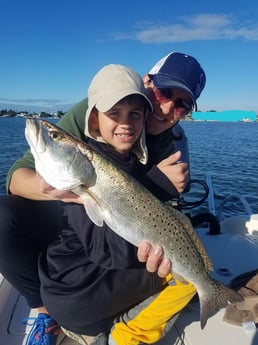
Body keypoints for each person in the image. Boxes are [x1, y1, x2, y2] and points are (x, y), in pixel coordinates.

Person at [0, 52, 206, 345]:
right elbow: (19, 175)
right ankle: (46, 313)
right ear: (147, 83)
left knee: (181, 263)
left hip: (114, 225)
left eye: (182, 103)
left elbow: (162, 217)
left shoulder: (175, 144)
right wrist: (56, 190)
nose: (167, 107)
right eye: (163, 92)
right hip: (75, 212)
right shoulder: (99, 104)